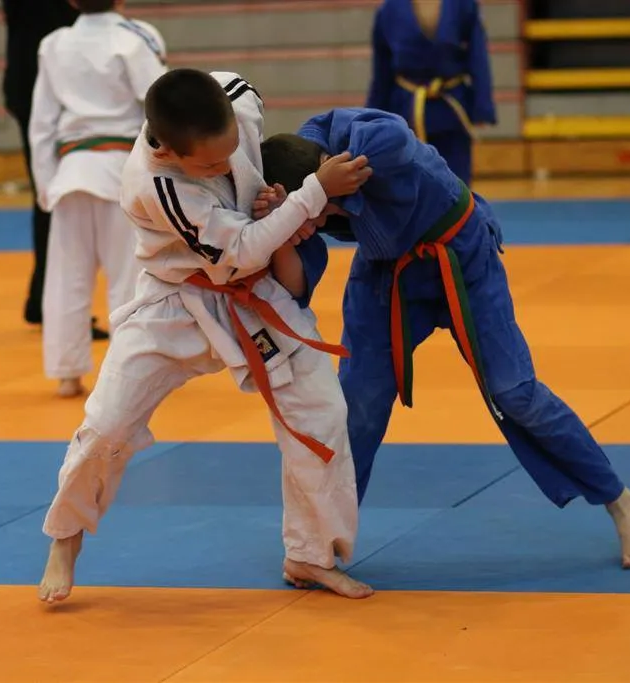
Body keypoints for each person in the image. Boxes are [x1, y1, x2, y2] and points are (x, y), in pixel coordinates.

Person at [257, 107, 630, 570]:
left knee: (514, 391)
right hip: (387, 274)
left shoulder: (361, 152)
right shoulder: (300, 186)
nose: (312, 225)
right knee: (357, 403)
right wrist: (285, 224)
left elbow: (393, 133)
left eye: (314, 213)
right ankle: (323, 535)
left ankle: (621, 500)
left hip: (461, 255)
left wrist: (335, 174)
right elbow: (297, 283)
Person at [37, 69, 376, 605]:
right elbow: (243, 249)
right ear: (168, 151)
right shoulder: (157, 184)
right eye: (210, 166)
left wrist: (281, 189)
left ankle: (311, 553)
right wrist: (314, 192)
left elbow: (258, 182)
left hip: (254, 296)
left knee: (322, 411)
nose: (226, 166)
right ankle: (66, 534)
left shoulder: (237, 98)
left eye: (231, 150)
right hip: (176, 299)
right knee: (107, 425)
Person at [29, 0, 168, 397]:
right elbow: (161, 106)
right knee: (130, 277)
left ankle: (67, 374)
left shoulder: (54, 44)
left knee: (66, 278)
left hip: (71, 172)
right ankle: (129, 372)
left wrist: (45, 183)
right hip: (122, 170)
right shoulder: (136, 37)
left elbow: (42, 123)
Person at [0, 0, 106, 338]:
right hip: (54, 88)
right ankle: (57, 308)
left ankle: (46, 302)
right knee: (59, 203)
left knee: (52, 200)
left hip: (39, 82)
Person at [365, 0, 496, 185]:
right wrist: (373, 117)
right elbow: (382, 71)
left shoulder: (464, 5)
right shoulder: (389, 9)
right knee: (410, 186)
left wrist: (482, 106)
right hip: (406, 112)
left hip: (451, 110)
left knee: (456, 185)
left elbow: (478, 56)